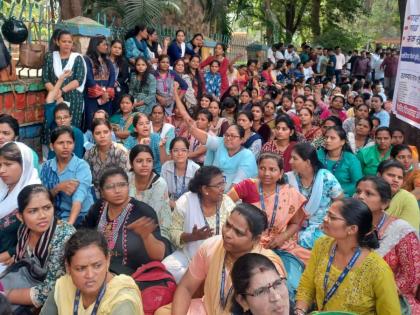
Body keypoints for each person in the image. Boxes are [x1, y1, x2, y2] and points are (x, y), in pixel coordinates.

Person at [155, 203, 286, 315]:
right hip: (207, 309)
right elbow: (186, 288)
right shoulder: (211, 246)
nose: (228, 234)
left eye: (238, 232)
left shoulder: (267, 266)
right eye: (228, 225)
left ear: (256, 239)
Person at [294, 198, 400, 314]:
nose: (325, 219)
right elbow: (307, 285)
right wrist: (300, 311)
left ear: (352, 229)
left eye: (332, 217)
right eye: (327, 214)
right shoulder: (322, 245)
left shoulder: (378, 270)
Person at [81, 167, 170, 275]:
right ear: (102, 192)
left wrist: (146, 236)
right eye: (110, 187)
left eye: (122, 185)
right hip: (97, 267)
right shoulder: (98, 207)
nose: (117, 191)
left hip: (131, 273)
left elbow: (159, 256)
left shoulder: (143, 211)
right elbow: (83, 235)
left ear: (129, 186)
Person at [0, 184, 75, 310]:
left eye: (47, 208)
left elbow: (51, 290)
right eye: (33, 211)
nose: (42, 216)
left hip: (51, 294)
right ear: (20, 216)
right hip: (25, 277)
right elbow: (22, 257)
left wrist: (4, 295)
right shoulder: (24, 229)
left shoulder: (64, 237)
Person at [355, 176, 420, 313]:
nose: (360, 196)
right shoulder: (350, 226)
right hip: (353, 294)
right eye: (358, 191)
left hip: (394, 297)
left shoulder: (400, 231)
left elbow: (411, 278)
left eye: (368, 193)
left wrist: (378, 294)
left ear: (384, 203)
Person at [228, 153, 309, 262]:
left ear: (280, 173)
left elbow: (295, 223)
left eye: (272, 169)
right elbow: (225, 203)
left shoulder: (290, 193)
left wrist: (282, 238)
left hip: (279, 246)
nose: (266, 173)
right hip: (249, 243)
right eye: (262, 168)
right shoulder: (248, 185)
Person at [40, 229, 143, 315]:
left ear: (107, 260)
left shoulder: (122, 298)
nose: (90, 275)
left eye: (97, 266)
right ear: (68, 267)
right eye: (80, 268)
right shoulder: (63, 286)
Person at [162, 166, 235, 282]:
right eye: (218, 185)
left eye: (223, 183)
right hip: (190, 255)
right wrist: (192, 237)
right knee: (167, 268)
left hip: (220, 257)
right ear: (205, 189)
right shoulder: (186, 201)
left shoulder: (228, 203)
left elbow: (235, 234)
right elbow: (173, 231)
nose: (223, 188)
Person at [175, 90, 257, 192]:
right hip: (212, 191)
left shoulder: (247, 155)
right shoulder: (220, 142)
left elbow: (237, 186)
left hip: (234, 198)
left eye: (233, 136)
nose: (228, 138)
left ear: (241, 140)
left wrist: (223, 202)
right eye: (226, 135)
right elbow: (204, 137)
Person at [287, 143, 343, 250]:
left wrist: (328, 222)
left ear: (307, 162)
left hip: (320, 226)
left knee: (319, 241)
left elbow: (340, 203)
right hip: (293, 225)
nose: (290, 161)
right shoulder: (288, 178)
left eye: (295, 158)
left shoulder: (326, 178)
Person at [0, 142, 40, 274]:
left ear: (24, 164)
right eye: (0, 165)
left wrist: (13, 252)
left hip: (11, 262)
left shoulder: (35, 195)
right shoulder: (3, 188)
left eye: (8, 164)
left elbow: (39, 233)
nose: (2, 170)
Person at [40, 126, 94, 224]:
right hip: (55, 214)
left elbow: (78, 199)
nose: (66, 147)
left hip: (81, 216)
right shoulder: (46, 167)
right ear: (52, 146)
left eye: (69, 143)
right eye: (61, 143)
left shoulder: (81, 166)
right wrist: (58, 188)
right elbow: (42, 196)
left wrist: (68, 226)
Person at [42, 30, 86, 128]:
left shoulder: (77, 58)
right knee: (51, 123)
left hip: (73, 98)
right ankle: (51, 143)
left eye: (69, 42)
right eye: (64, 41)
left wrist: (61, 91)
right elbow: (46, 79)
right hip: (53, 97)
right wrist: (56, 95)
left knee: (70, 127)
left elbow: (78, 80)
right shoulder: (50, 57)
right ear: (57, 42)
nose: (67, 44)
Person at [127, 144, 172, 240]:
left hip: (156, 228)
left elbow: (151, 217)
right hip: (129, 225)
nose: (144, 165)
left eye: (149, 161)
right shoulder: (126, 179)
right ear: (131, 164)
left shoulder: (159, 184)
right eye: (139, 161)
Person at [84, 118, 129, 197]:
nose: (102, 136)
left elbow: (125, 179)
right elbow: (86, 178)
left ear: (111, 132)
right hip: (95, 195)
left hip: (117, 193)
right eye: (98, 133)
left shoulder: (120, 152)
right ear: (93, 135)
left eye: (105, 132)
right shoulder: (89, 153)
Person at [317, 126, 363, 197]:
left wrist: (335, 191)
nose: (328, 140)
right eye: (326, 137)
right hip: (319, 194)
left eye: (332, 138)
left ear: (342, 142)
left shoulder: (351, 159)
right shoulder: (318, 154)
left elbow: (358, 183)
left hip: (343, 197)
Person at [377, 160, 420, 231]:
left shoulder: (407, 199)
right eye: (391, 175)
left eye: (400, 177)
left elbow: (410, 233)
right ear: (379, 175)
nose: (396, 180)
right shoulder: (369, 193)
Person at [84, 36, 116, 129]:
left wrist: (107, 91)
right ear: (96, 46)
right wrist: (101, 93)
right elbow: (88, 77)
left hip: (107, 95)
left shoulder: (107, 60)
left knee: (105, 119)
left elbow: (112, 76)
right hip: (93, 96)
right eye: (104, 44)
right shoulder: (87, 59)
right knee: (92, 120)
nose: (106, 47)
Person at [161, 137, 200, 208]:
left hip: (190, 206)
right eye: (175, 150)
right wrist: (171, 203)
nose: (180, 153)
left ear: (188, 153)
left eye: (184, 150)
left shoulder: (196, 169)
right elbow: (163, 192)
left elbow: (197, 195)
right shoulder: (166, 167)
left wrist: (179, 207)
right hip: (169, 204)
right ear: (171, 153)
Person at [109, 39, 130, 113]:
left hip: (117, 88)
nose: (117, 50)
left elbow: (125, 76)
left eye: (119, 48)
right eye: (115, 47)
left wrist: (116, 82)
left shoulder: (124, 61)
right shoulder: (105, 60)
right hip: (105, 87)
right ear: (110, 47)